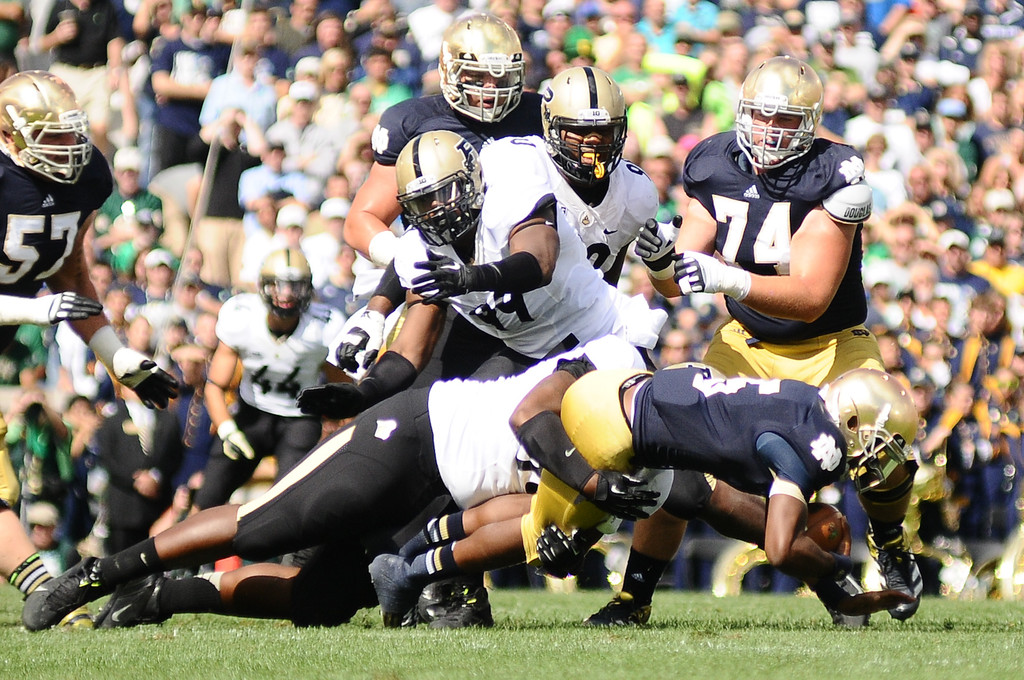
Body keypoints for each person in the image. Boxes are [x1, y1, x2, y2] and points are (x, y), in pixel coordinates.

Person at [590, 56, 923, 627]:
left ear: (809, 123)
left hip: (831, 344)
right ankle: (634, 596)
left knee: (883, 426)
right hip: (746, 342)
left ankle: (891, 543)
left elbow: (811, 296)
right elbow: (677, 279)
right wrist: (662, 260)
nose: (769, 131)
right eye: (761, 117)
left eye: (785, 120)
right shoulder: (713, 162)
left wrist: (728, 278)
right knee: (677, 444)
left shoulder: (835, 173)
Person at [21, 335, 648, 630]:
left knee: (320, 605)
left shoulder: (640, 471)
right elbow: (529, 416)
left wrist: (543, 541)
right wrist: (587, 485)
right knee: (264, 527)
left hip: (440, 500)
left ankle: (160, 598)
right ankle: (98, 574)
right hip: (418, 438)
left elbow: (497, 517)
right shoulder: (614, 364)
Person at [368, 364, 918, 626]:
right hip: (618, 433)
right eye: (882, 441)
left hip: (622, 390)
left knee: (674, 494)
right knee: (549, 532)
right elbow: (778, 546)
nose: (883, 457)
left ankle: (418, 543)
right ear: (852, 419)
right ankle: (409, 574)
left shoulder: (803, 396)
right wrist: (835, 569)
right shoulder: (819, 443)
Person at [305, 129, 666, 424]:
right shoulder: (421, 249)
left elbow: (538, 263)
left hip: (602, 332)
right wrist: (363, 393)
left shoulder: (509, 197)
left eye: (443, 194)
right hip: (530, 351)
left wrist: (470, 278)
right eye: (422, 203)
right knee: (462, 424)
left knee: (642, 436)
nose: (436, 210)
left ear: (471, 181)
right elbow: (409, 351)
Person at [336, 66, 666, 377]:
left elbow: (607, 275)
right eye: (578, 132)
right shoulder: (516, 162)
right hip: (483, 306)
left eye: (604, 132)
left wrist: (661, 264)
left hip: (557, 323)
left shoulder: (637, 192)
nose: (591, 145)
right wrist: (376, 311)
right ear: (550, 126)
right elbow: (429, 241)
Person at [0, 71, 177, 630]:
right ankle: (49, 595)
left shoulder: (86, 175)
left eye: (69, 132)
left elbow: (70, 272)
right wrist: (35, 310)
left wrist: (116, 356)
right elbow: (50, 299)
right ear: (8, 136)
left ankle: (46, 596)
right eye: (50, 136)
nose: (68, 147)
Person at [344, 10, 540, 268]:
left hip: (528, 265)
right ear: (449, 70)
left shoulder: (540, 115)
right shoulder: (413, 122)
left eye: (501, 77)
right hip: (442, 263)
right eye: (477, 77)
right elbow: (362, 219)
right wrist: (409, 262)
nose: (490, 88)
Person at [193, 247, 347, 513]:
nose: (286, 295)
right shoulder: (241, 316)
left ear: (308, 288)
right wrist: (227, 429)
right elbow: (215, 386)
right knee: (207, 499)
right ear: (262, 286)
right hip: (251, 413)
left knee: (286, 506)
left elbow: (342, 390)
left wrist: (336, 426)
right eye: (277, 286)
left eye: (295, 286)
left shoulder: (325, 327)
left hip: (300, 419)